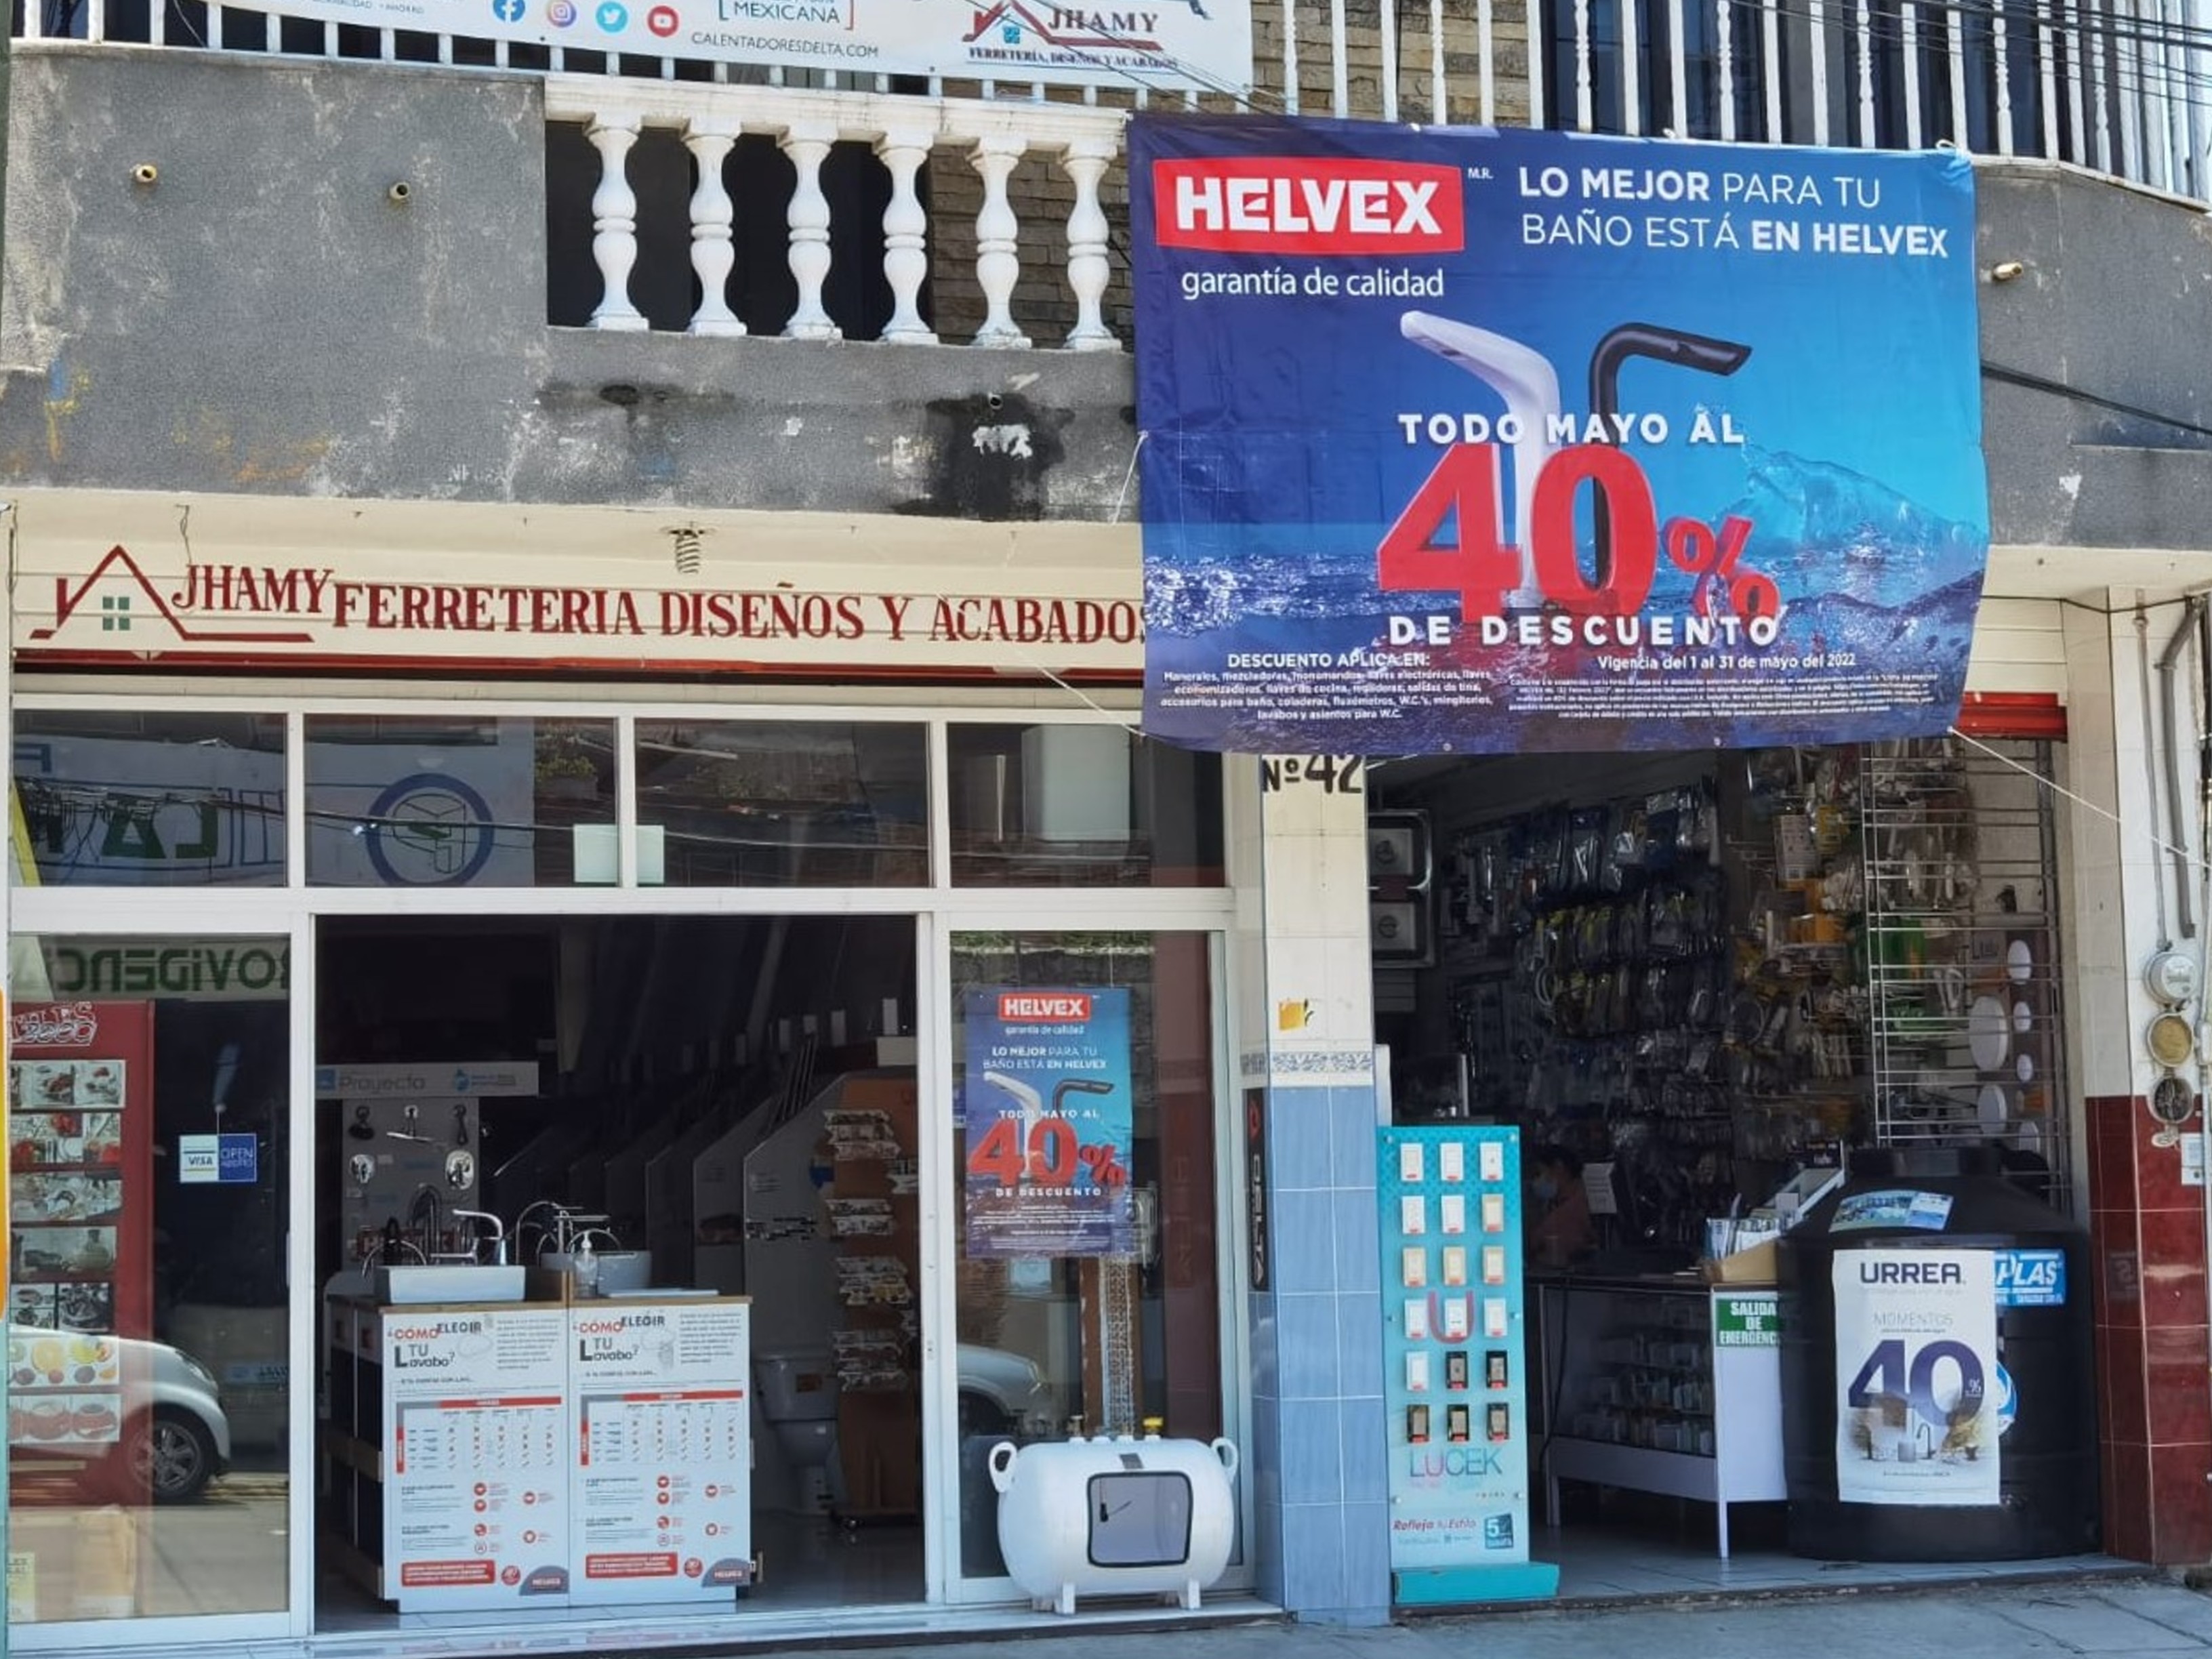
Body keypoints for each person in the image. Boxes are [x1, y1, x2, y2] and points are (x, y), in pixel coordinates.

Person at [1528, 1144, 1595, 1268]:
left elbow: (1536, 1241)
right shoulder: (1553, 1204)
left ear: (1559, 1168)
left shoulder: (1578, 1205)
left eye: (1540, 1173)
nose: (1537, 1181)